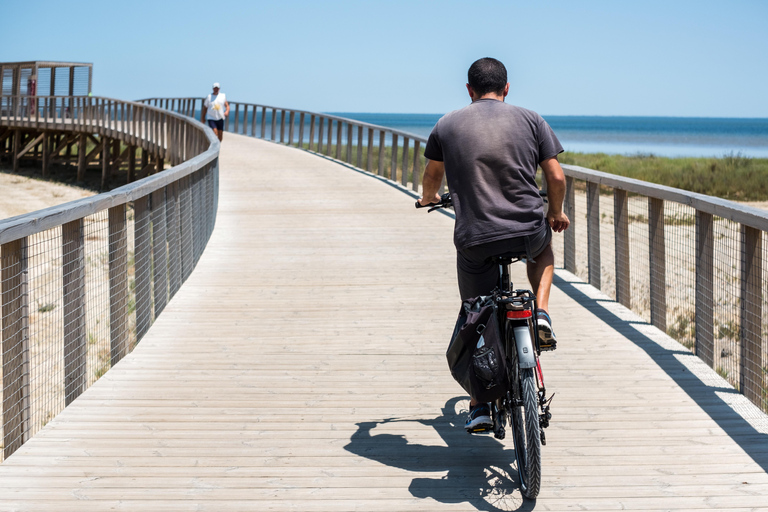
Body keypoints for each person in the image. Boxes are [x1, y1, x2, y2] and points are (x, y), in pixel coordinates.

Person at [417, 57, 570, 431]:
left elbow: (432, 177)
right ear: (506, 88)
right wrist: (556, 212)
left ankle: (480, 405)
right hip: (526, 229)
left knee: (477, 311)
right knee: (543, 249)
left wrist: (429, 197)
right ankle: (543, 313)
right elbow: (556, 175)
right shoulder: (532, 119)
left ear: (469, 90)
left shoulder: (446, 124)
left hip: (477, 237)